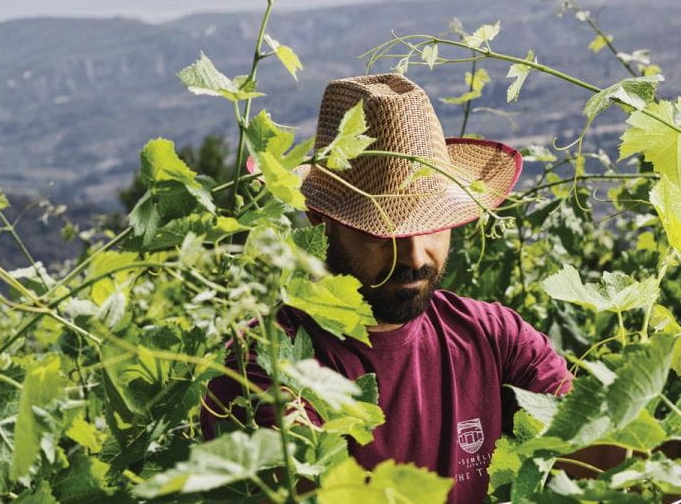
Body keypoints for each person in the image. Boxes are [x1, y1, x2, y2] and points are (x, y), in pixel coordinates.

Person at [200, 74, 573, 503]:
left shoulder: (495, 338)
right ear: (320, 219)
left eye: (432, 225)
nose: (414, 256)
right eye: (384, 232)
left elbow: (592, 447)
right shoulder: (262, 362)